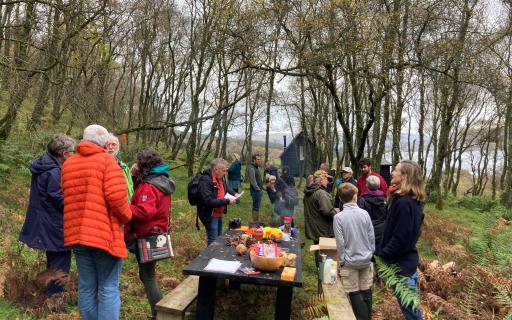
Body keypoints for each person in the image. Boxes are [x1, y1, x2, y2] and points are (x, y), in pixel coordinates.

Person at [62, 124, 132, 320]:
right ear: (103, 141)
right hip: (103, 235)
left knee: (86, 287)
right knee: (109, 286)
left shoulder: (69, 164)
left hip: (76, 234)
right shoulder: (107, 162)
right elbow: (118, 199)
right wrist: (128, 217)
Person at [19, 134, 76, 297]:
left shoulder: (44, 164)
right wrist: (77, 203)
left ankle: (50, 294)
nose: (73, 155)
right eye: (71, 152)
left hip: (46, 221)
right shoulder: (53, 171)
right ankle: (55, 299)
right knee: (61, 260)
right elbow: (58, 198)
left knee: (54, 258)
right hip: (53, 223)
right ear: (63, 153)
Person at [125, 148, 175, 319]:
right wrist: (133, 177)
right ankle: (158, 312)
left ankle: (158, 314)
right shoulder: (160, 180)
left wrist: (124, 208)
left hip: (147, 234)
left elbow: (144, 211)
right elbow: (141, 195)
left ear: (143, 164)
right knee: (147, 274)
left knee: (148, 276)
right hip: (157, 231)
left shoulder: (150, 185)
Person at [376, 160, 426, 320]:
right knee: (411, 313)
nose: (391, 173)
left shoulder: (406, 204)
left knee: (413, 316)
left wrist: (381, 255)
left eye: (395, 170)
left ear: (404, 175)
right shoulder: (406, 200)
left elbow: (400, 239)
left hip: (402, 269)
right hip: (404, 266)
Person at [334, 183, 375, 320]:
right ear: (355, 197)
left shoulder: (338, 218)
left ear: (340, 199)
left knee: (354, 291)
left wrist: (342, 261)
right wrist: (371, 254)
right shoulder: (365, 214)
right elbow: (371, 237)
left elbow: (340, 243)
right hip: (366, 259)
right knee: (366, 289)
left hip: (349, 261)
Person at [197, 158, 238, 245]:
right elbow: (208, 201)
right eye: (223, 170)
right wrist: (227, 201)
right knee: (213, 242)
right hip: (210, 215)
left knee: (218, 239)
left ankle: (215, 257)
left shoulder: (219, 178)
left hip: (218, 214)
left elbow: (226, 188)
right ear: (216, 169)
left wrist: (234, 193)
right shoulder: (205, 180)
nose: (225, 173)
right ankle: (209, 258)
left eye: (226, 170)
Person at [303, 170, 339, 245]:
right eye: (326, 179)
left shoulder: (309, 192)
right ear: (321, 180)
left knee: (318, 251)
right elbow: (327, 212)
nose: (328, 182)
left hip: (314, 229)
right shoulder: (322, 194)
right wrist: (337, 213)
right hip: (323, 231)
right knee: (325, 254)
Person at [357, 175, 387, 250]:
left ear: (367, 185)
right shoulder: (385, 200)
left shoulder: (362, 199)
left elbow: (359, 217)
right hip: (381, 231)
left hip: (366, 230)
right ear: (379, 185)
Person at [105, 133, 134, 201]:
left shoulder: (124, 166)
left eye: (113, 144)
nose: (111, 147)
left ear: (118, 147)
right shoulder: (102, 165)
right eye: (108, 144)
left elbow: (130, 188)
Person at [248, 154, 263, 222]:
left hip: (258, 191)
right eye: (258, 159)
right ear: (254, 160)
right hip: (255, 191)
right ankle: (255, 221)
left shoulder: (256, 167)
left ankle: (255, 220)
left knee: (257, 207)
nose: (259, 161)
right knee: (255, 207)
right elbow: (253, 181)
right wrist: (258, 189)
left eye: (260, 159)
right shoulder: (251, 168)